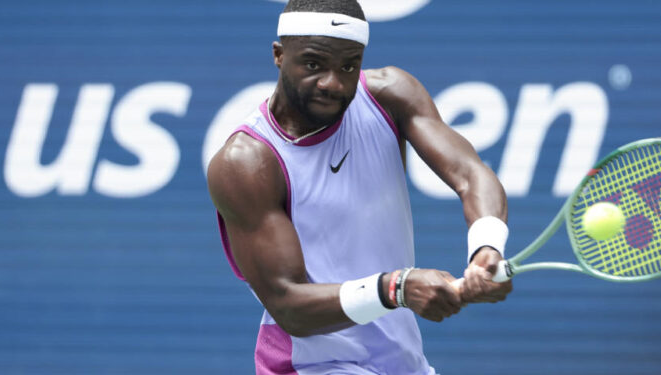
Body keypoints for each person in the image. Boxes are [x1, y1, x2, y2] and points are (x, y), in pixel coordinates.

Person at [207, 0, 512, 373]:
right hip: (313, 365)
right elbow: (288, 305)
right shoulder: (247, 162)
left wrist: (486, 246)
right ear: (278, 55)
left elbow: (471, 174)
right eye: (314, 64)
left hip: (403, 361)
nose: (333, 83)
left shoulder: (391, 94)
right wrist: (395, 288)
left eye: (349, 65)